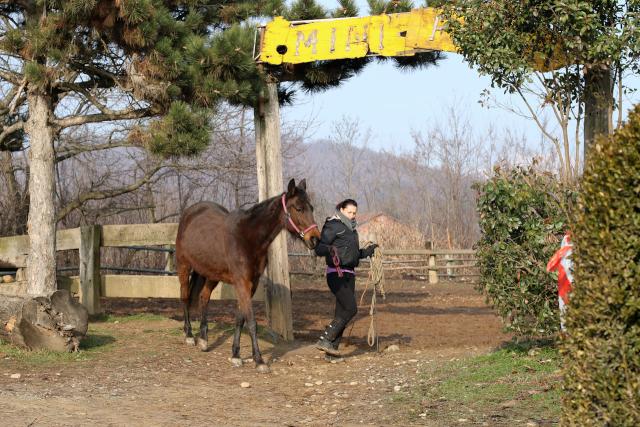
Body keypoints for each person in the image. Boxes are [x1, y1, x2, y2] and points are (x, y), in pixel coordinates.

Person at [314, 199, 378, 360]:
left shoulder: (352, 230)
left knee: (341, 312)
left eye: (354, 212)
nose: (352, 215)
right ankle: (326, 339)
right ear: (341, 210)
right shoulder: (333, 225)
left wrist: (368, 251)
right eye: (349, 212)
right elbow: (319, 248)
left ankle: (332, 351)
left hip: (349, 274)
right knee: (351, 309)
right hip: (336, 273)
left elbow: (353, 254)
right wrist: (329, 249)